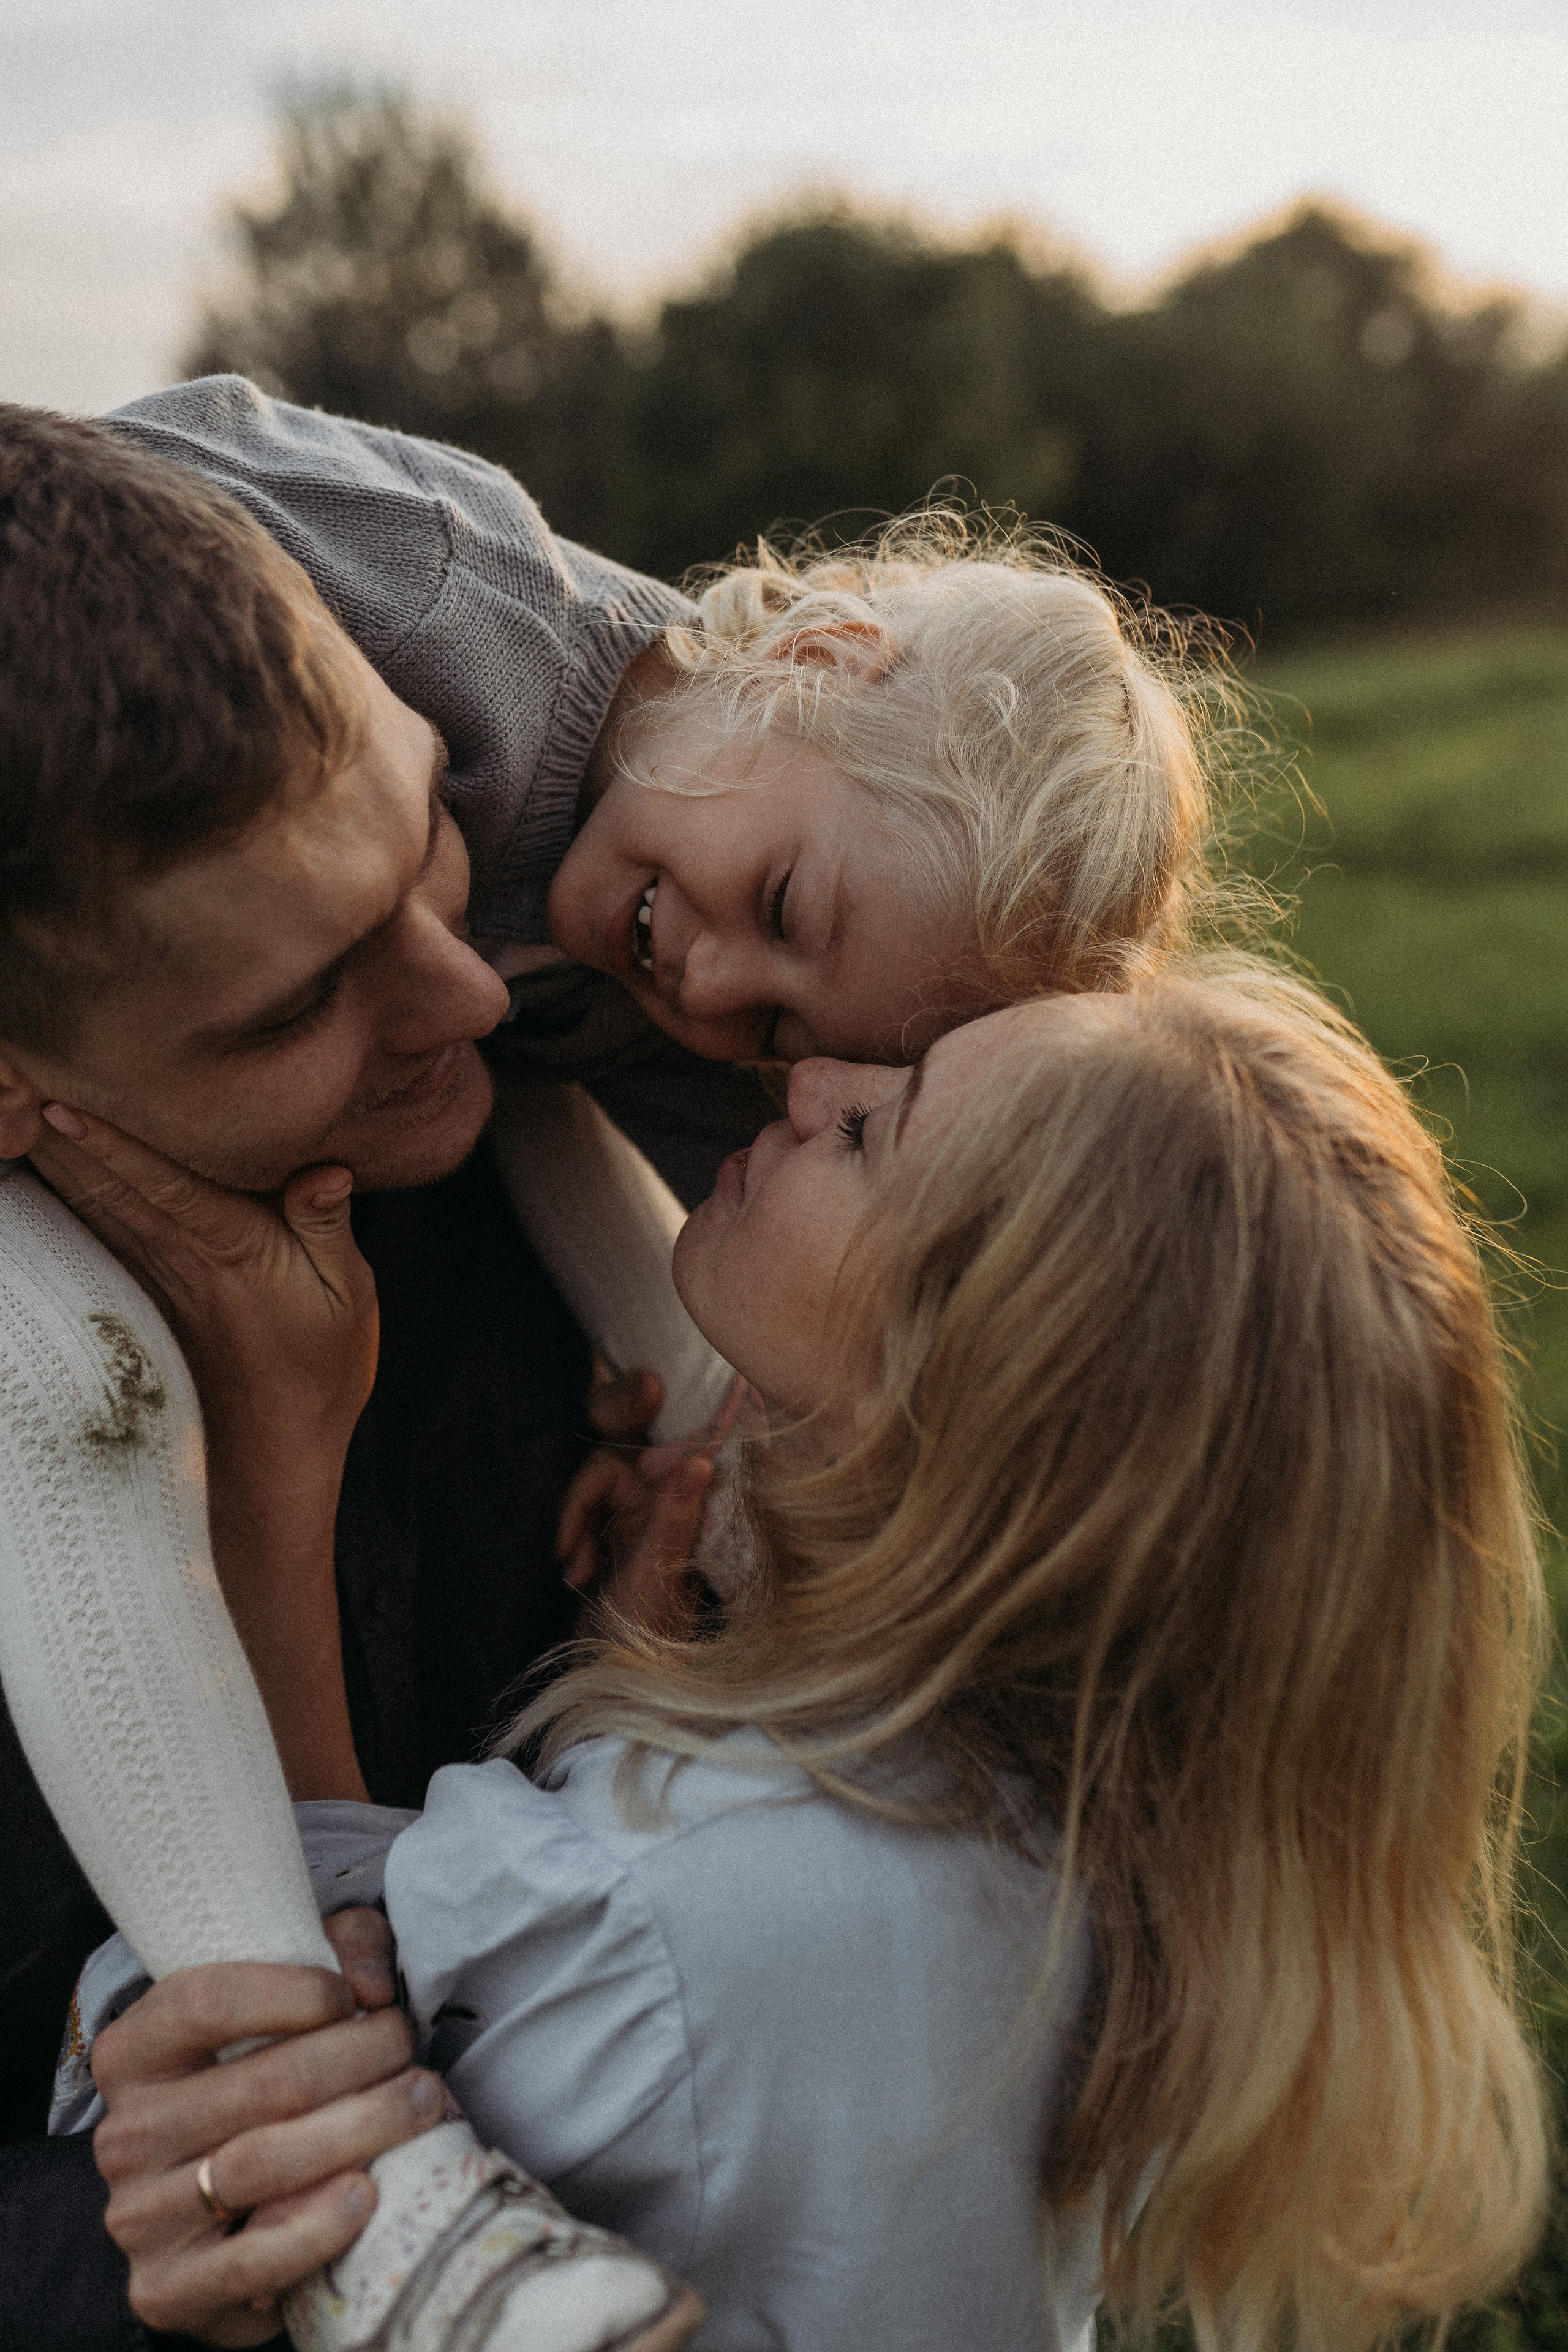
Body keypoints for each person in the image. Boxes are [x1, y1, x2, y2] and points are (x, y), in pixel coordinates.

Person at [43, 963, 1548, 2351]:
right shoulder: (1104, 1837)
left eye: (877, 1129)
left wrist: (266, 1469)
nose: (814, 1074)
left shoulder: (669, 1919)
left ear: (945, 1405)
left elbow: (254, 2054)